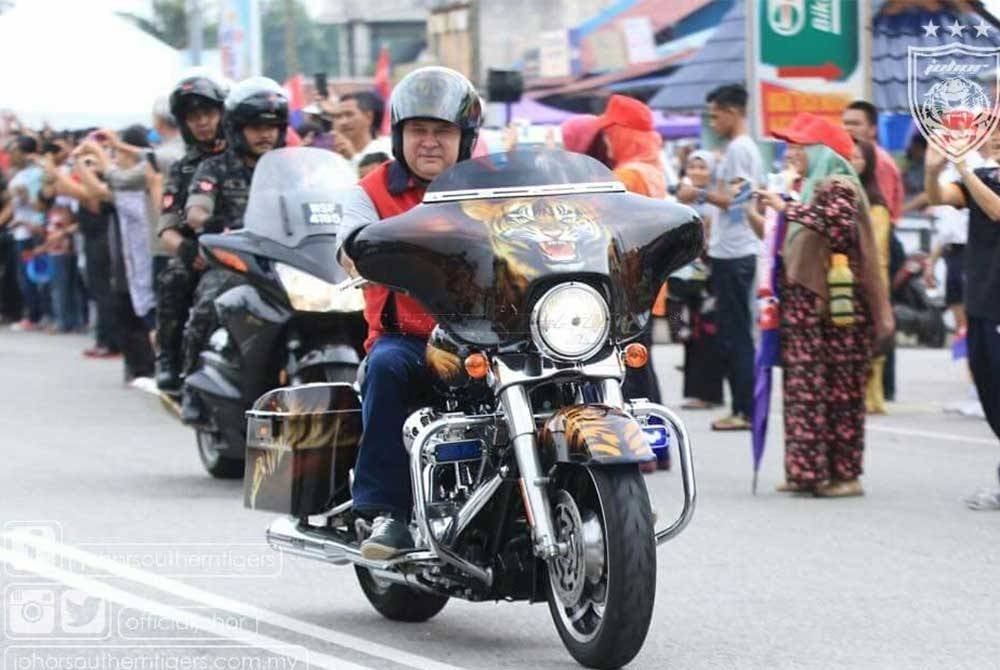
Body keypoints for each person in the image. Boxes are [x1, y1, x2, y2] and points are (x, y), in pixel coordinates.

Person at [335, 66, 482, 560]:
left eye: (443, 131)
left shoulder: (493, 185)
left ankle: (602, 486)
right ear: (399, 135)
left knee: (572, 356)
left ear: (465, 138)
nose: (430, 143)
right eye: (419, 130)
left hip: (489, 334)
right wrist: (367, 254)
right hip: (413, 338)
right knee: (388, 368)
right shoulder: (370, 192)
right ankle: (385, 513)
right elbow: (349, 247)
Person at [757, 112, 893, 497]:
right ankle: (807, 471)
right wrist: (769, 212)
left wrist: (785, 207)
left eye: (799, 144)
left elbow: (836, 226)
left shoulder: (840, 184)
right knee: (804, 392)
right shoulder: (807, 186)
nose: (791, 151)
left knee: (839, 393)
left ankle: (846, 476)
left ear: (821, 150)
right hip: (805, 311)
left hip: (838, 311)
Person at [180, 76, 288, 423]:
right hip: (237, 260)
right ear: (236, 128)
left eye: (272, 126)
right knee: (208, 301)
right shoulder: (215, 166)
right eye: (255, 126)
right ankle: (191, 386)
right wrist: (203, 220)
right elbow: (196, 207)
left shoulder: (290, 168)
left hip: (290, 261)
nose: (265, 135)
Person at [677, 84, 765, 431]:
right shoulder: (735, 150)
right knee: (730, 332)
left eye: (715, 115)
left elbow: (739, 200)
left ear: (731, 112)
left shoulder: (741, 150)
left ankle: (743, 409)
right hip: (729, 250)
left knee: (737, 334)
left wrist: (696, 193)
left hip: (737, 253)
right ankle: (740, 406)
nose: (712, 122)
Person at [923, 128, 1000, 510]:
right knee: (988, 390)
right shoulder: (984, 177)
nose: (998, 137)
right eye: (996, 130)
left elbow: (997, 210)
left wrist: (964, 168)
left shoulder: (979, 178)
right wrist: (931, 169)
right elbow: (941, 197)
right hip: (982, 301)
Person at [154, 74, 227, 393]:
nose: (202, 123)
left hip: (255, 250)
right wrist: (187, 250)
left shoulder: (245, 158)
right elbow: (167, 228)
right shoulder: (181, 168)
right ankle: (171, 360)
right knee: (173, 280)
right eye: (193, 117)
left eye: (208, 114)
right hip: (201, 254)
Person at [672, 150, 724, 411]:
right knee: (689, 333)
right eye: (693, 166)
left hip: (709, 276)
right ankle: (696, 392)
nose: (697, 172)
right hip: (686, 276)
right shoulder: (682, 202)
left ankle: (708, 393)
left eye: (703, 167)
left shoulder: (716, 200)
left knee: (707, 333)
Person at [850, 139, 892, 414]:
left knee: (872, 337)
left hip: (870, 277)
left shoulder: (875, 204)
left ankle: (872, 396)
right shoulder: (841, 195)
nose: (853, 162)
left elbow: (874, 248)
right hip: (846, 276)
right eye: (848, 157)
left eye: (858, 158)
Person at [5, 136, 47, 330]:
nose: (10, 155)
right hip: (19, 231)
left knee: (30, 275)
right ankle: (32, 312)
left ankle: (35, 315)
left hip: (31, 231)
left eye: (14, 151)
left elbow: (41, 204)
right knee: (22, 276)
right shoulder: (18, 174)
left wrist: (25, 197)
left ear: (25, 153)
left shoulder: (35, 175)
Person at [332, 91, 392, 172]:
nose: (343, 122)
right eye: (338, 116)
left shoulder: (387, 148)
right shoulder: (331, 156)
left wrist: (353, 158)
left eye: (349, 114)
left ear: (369, 117)